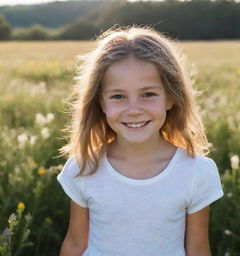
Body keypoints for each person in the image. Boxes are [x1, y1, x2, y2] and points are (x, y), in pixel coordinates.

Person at [57, 25, 224, 256]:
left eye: (148, 94)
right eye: (118, 96)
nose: (133, 110)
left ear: (171, 98)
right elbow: (75, 243)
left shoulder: (196, 171)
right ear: (101, 104)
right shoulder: (84, 166)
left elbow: (197, 248)